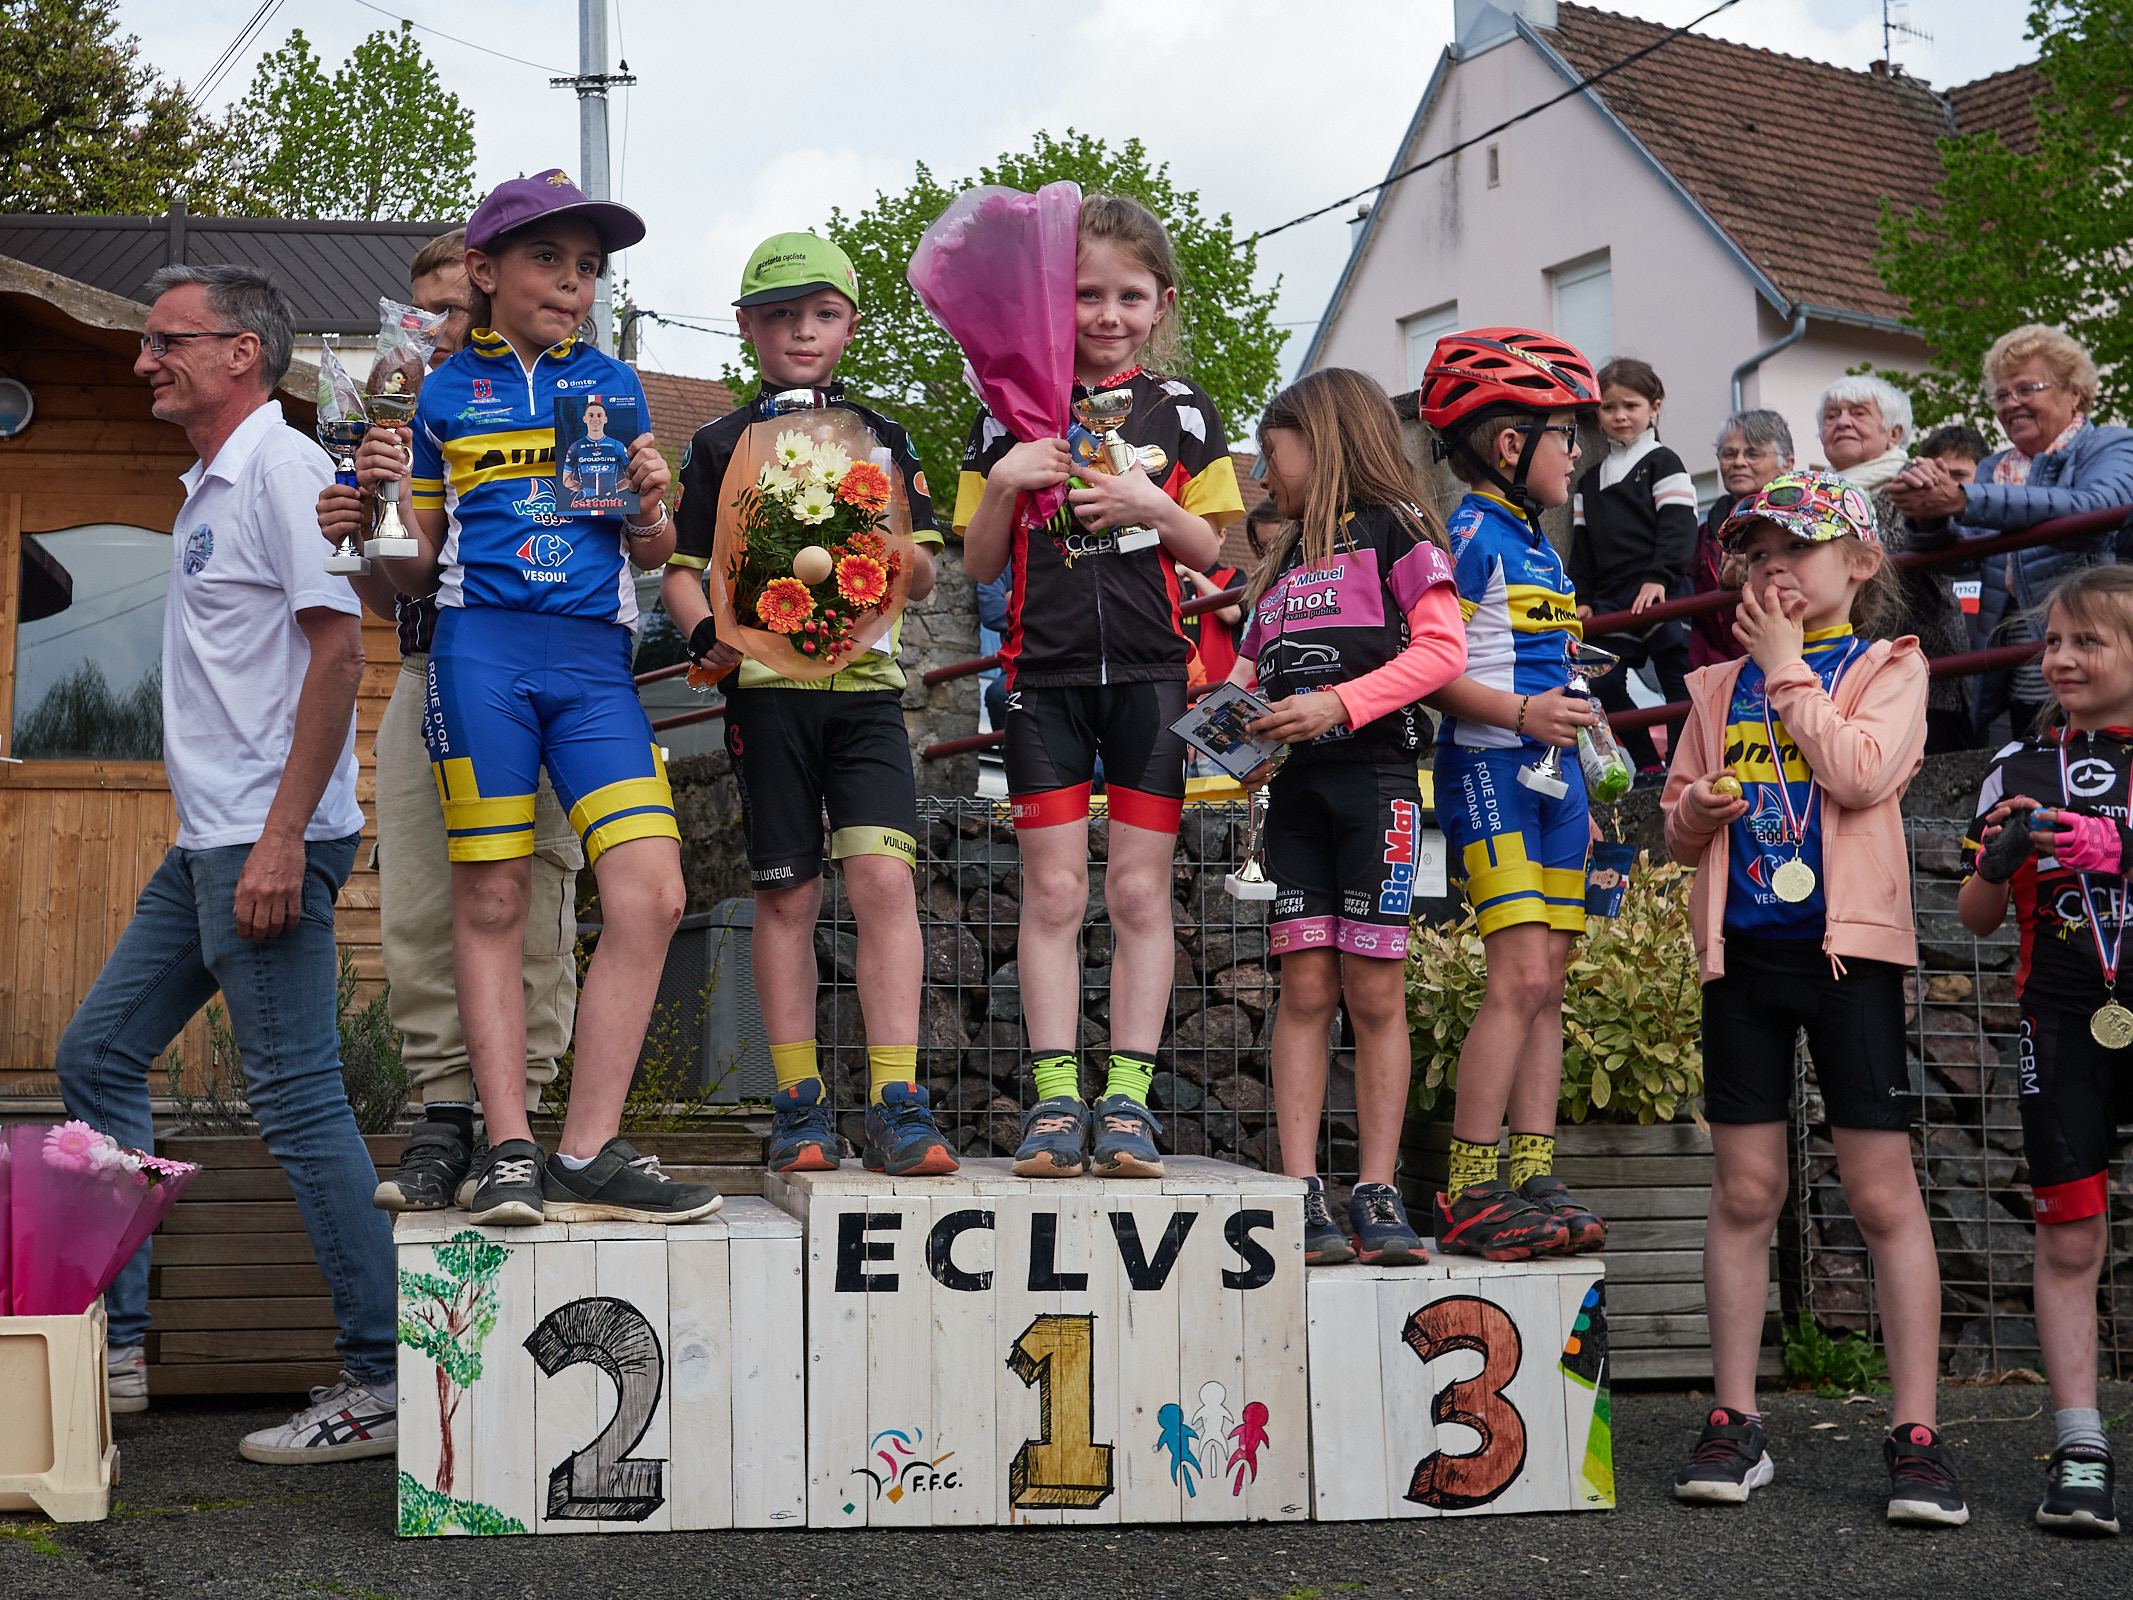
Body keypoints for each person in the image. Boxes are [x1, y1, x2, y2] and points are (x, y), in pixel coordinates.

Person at [58, 263, 398, 1460]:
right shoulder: (211, 484)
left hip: (265, 837)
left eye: (167, 341)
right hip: (210, 840)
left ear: (241, 353)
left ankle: (386, 1374)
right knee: (97, 1053)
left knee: (298, 1099)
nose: (144, 360)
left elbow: (341, 654)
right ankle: (120, 1343)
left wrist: (282, 836)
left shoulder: (284, 471)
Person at [357, 169, 717, 1227]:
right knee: (492, 899)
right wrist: (377, 499)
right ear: (484, 270)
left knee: (652, 894)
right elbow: (413, 572)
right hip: (480, 654)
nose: (572, 282)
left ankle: (587, 1149)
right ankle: (509, 1147)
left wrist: (651, 506)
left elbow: (648, 548)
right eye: (548, 259)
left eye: (589, 267)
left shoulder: (615, 381)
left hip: (595, 663)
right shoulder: (435, 393)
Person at [1662, 470, 1964, 1526]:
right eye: (1756, 552)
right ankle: (1734, 1420)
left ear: (1862, 563)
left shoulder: (1889, 664)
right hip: (1743, 957)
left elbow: (1861, 774)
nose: (1772, 567)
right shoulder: (1715, 685)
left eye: (1797, 546)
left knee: (1881, 1195)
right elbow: (1674, 825)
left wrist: (1788, 669)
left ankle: (1915, 1431)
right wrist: (1697, 811)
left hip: (1851, 962)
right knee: (1745, 1191)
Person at [956, 193, 1244, 1179]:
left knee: (1135, 890)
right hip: (1042, 678)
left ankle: (1125, 1104)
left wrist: (1147, 500)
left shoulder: (1185, 411)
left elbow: (1212, 550)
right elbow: (977, 564)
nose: (1108, 314)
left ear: (1162, 304)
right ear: (1054, 301)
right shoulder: (1005, 406)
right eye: (1086, 295)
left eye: (1129, 295)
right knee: (1053, 891)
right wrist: (1007, 479)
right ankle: (1052, 1103)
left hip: (1154, 682)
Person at [661, 231, 954, 1177]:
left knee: (883, 884)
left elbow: (927, 575)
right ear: (745, 327)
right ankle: (799, 1107)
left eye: (822, 313)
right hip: (764, 699)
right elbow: (679, 572)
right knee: (786, 893)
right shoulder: (717, 443)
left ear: (850, 326)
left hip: (865, 697)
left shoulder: (884, 437)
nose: (801, 331)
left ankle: (898, 1105)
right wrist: (704, 636)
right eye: (780, 314)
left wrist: (894, 550)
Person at [316, 228, 584, 1214]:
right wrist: (363, 526)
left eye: (451, 315)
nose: (433, 333)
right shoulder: (399, 421)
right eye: (421, 315)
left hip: (533, 674)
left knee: (530, 898)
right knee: (422, 898)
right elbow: (397, 596)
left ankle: (523, 1126)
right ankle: (443, 1116)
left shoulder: (562, 402)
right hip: (426, 668)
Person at [1225, 369, 1467, 1264]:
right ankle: (1301, 1191)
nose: (1261, 474)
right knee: (1303, 992)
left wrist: (1337, 703)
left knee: (1372, 992)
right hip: (1295, 797)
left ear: (1321, 439)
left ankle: (1375, 1187)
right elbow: (1242, 682)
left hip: (1377, 785)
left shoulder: (1398, 529)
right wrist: (1222, 737)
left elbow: (1441, 652)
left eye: (1271, 453)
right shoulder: (1280, 561)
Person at [1414, 325, 1605, 1261]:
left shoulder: (1540, 545)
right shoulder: (1469, 536)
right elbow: (1428, 668)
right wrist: (1523, 713)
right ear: (1507, 443)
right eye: (1565, 435)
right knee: (1518, 976)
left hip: (1557, 778)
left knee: (1550, 982)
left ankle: (1531, 1172)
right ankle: (1466, 1187)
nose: (1577, 453)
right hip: (1489, 769)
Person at [1957, 565, 2133, 1537]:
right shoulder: (2015, 763)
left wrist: (2117, 849)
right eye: (2053, 640)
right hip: (2059, 1019)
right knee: (2070, 1238)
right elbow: (1975, 916)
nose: (2060, 658)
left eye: (2087, 642)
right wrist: (1997, 860)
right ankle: (2079, 1447)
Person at [1890, 325, 2133, 740]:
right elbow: (1966, 555)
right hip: (2018, 664)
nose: (2011, 404)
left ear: (2074, 392)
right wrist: (1927, 514)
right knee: (2032, 758)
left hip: (2096, 655)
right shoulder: (1994, 469)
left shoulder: (2113, 444)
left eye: (2026, 389)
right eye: (2002, 395)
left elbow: (2098, 507)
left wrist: (1964, 500)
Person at [1811, 376, 1968, 753]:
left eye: (1858, 413)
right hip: (1839, 682)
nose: (1842, 422)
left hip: (1924, 677)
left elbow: (1898, 550)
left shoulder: (1918, 481)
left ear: (1894, 433)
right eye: (1832, 415)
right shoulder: (1814, 495)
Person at [1569, 358, 1696, 770]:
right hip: (1611, 598)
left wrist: (1660, 577)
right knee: (1602, 683)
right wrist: (1583, 598)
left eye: (1631, 405)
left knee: (1677, 681)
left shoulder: (1665, 462)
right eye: (1609, 407)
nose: (1620, 415)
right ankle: (1647, 764)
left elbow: (1679, 527)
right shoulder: (1588, 481)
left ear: (1654, 408)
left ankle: (1680, 766)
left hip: (1661, 587)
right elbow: (1582, 550)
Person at [1692, 411, 1793, 669]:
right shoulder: (1703, 535)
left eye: (1753, 453)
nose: (1738, 462)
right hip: (1720, 673)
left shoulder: (1804, 524)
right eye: (1729, 454)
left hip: (1791, 661)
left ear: (1787, 463)